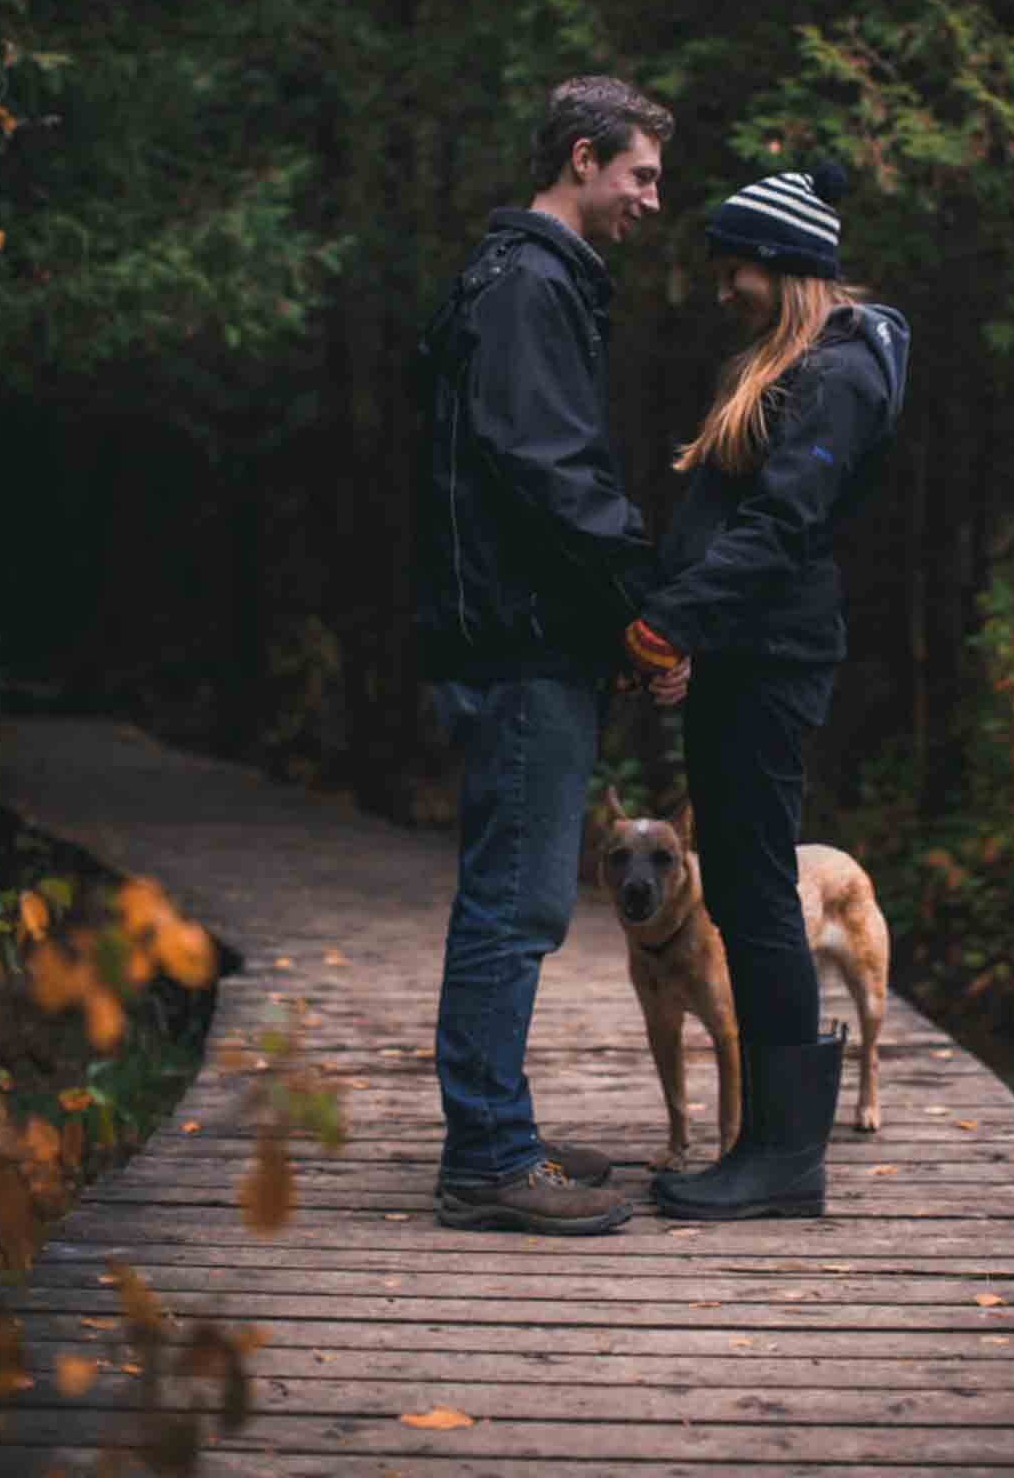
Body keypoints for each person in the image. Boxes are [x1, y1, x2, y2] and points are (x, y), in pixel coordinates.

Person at [622, 161, 909, 1222]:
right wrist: (688, 624)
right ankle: (770, 1149)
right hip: (739, 653)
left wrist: (674, 617)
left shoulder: (839, 373)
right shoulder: (796, 364)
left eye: (733, 264)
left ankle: (782, 1157)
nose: (721, 285)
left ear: (785, 263)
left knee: (751, 897)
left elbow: (785, 521)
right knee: (744, 889)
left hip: (770, 659)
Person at [419, 75, 680, 1235]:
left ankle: (497, 1126)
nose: (651, 198)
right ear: (582, 158)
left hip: (523, 634)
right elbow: (550, 475)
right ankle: (486, 1156)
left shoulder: (520, 279)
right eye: (640, 174)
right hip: (519, 645)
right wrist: (640, 600)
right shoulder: (527, 286)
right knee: (514, 903)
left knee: (513, 895)